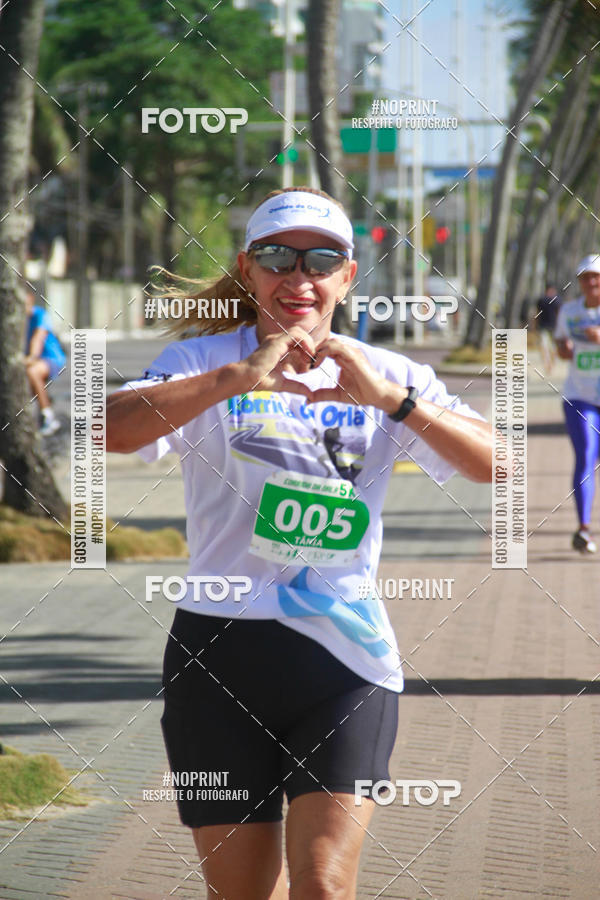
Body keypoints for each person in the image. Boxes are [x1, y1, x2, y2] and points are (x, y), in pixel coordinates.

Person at [106, 187, 494, 899]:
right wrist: (235, 380)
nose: (299, 276)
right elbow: (110, 429)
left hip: (344, 657)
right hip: (217, 656)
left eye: (322, 259)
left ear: (348, 277)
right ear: (249, 270)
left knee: (322, 883)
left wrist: (393, 403)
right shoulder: (202, 358)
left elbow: (503, 467)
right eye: (278, 257)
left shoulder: (391, 374)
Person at [555, 254, 600, 554]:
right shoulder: (569, 312)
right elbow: (561, 347)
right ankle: (583, 529)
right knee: (585, 454)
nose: (591, 282)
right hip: (578, 396)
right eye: (585, 277)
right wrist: (565, 349)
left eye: (596, 276)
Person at [24, 290, 66, 435]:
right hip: (33, 359)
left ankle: (48, 416)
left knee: (33, 372)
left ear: (30, 299)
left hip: (52, 358)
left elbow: (38, 338)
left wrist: (31, 357)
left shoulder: (40, 315)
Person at [532, 283, 561, 373]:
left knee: (550, 347)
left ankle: (550, 362)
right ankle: (548, 363)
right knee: (546, 346)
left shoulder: (554, 301)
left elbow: (536, 314)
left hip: (550, 326)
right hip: (546, 327)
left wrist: (534, 324)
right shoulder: (546, 300)